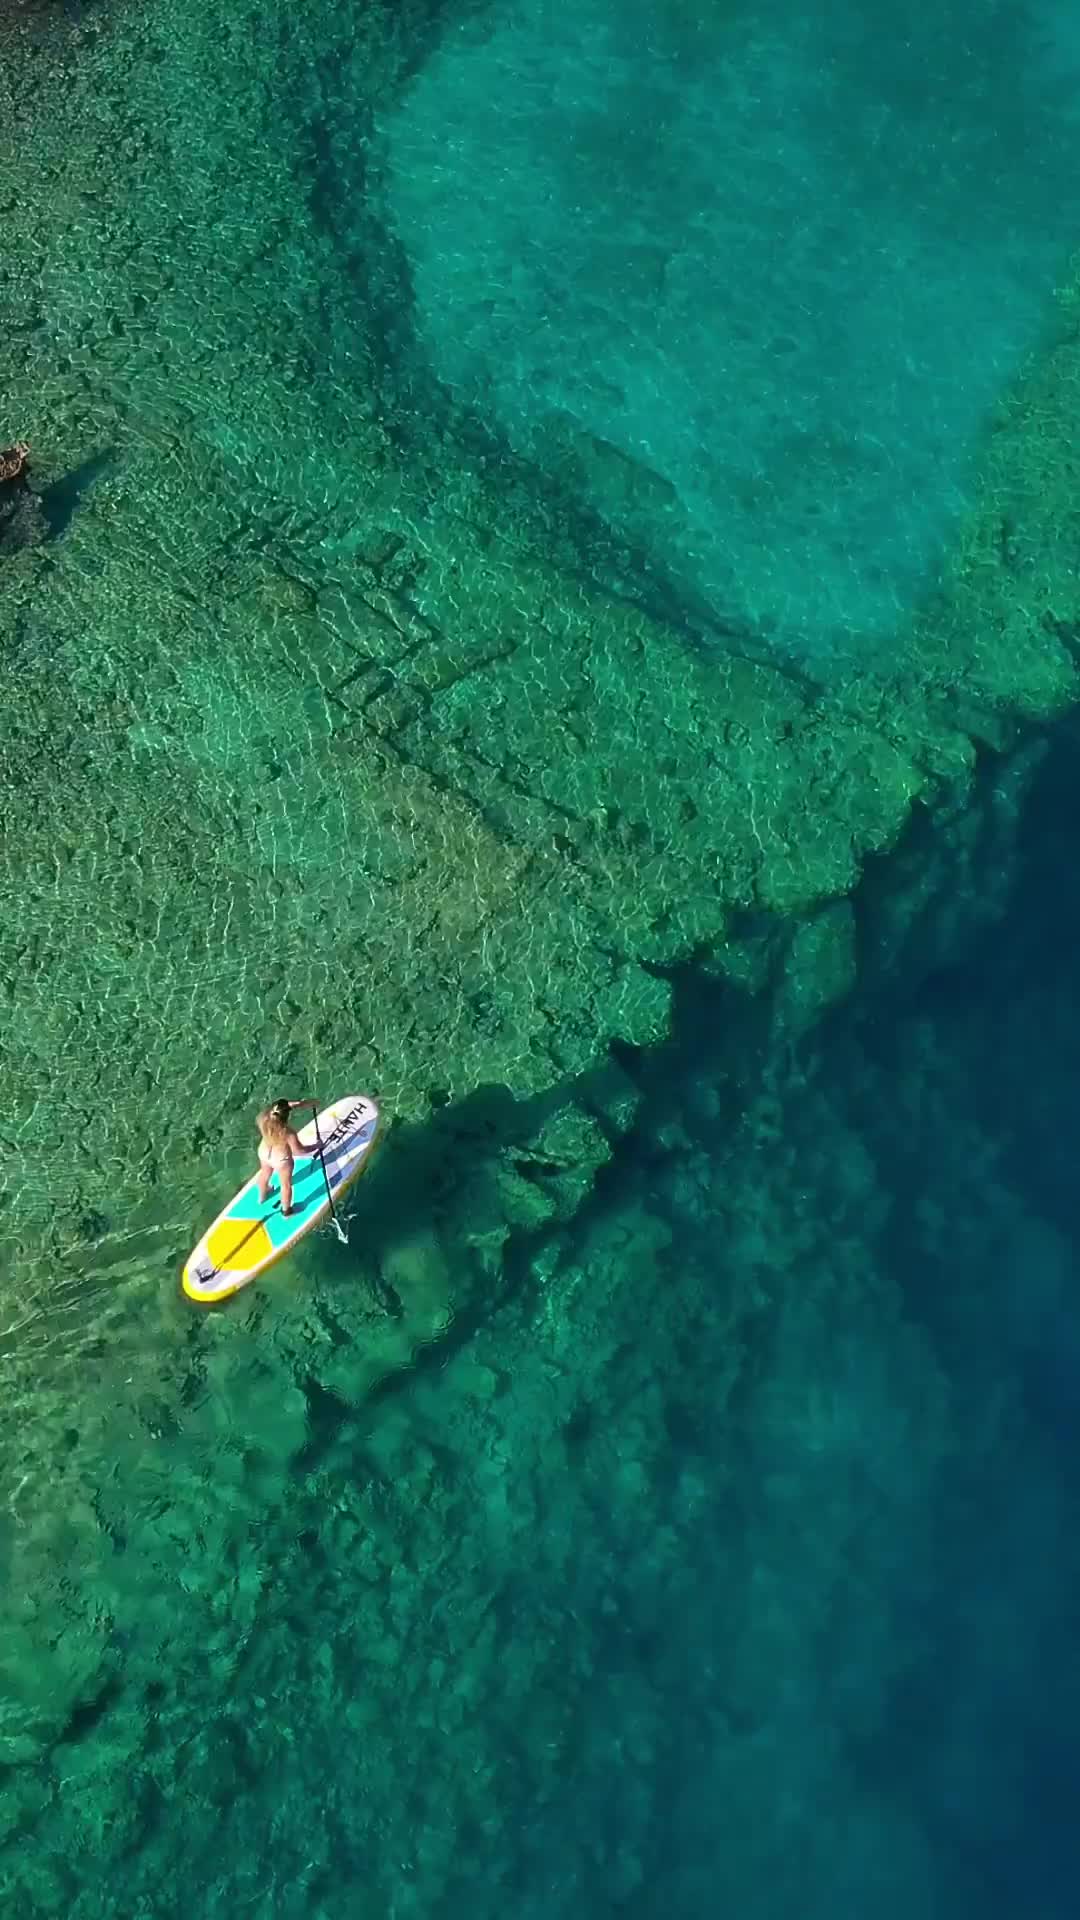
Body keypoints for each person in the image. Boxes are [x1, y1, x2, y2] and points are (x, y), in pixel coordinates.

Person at [255, 1098, 317, 1217]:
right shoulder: (287, 1132)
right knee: (285, 1185)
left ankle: (262, 1197)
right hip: (281, 1160)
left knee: (265, 1174)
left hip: (264, 1152)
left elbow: (275, 1109)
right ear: (286, 1117)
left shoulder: (263, 1119)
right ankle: (286, 1211)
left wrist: (296, 1104)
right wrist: (316, 1146)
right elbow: (299, 1151)